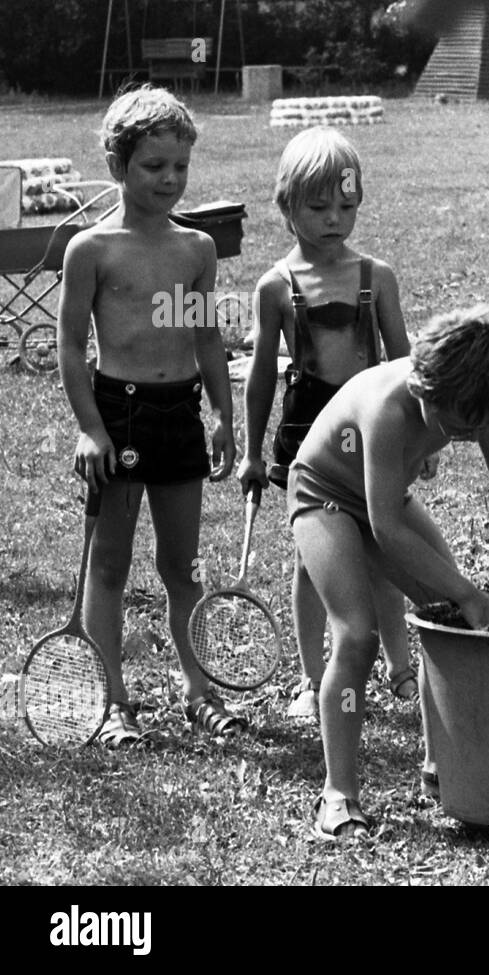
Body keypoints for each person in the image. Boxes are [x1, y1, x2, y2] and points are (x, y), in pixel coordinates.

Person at [289, 309, 489, 839]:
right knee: (357, 635)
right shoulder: (389, 406)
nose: (462, 437)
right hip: (326, 497)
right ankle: (338, 795)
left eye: (474, 428)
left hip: (383, 497)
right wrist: (471, 593)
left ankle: (442, 770)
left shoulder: (473, 399)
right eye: (454, 426)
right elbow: (386, 531)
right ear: (421, 385)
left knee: (449, 623)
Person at [56, 84, 238, 747]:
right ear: (118, 167)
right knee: (108, 566)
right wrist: (90, 426)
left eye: (180, 167)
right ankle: (112, 702)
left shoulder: (195, 250)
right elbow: (72, 346)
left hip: (178, 413)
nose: (169, 180)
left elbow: (208, 337)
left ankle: (199, 690)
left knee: (182, 566)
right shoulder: (93, 250)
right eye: (153, 166)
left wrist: (222, 414)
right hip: (120, 415)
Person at [237, 126, 420, 720]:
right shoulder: (275, 287)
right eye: (318, 207)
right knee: (310, 563)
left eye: (347, 205)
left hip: (373, 435)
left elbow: (403, 365)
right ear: (286, 205)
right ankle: (311, 678)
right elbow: (262, 376)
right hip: (306, 437)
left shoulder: (377, 276)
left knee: (385, 546)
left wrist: (419, 440)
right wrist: (251, 451)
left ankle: (399, 669)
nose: (334, 219)